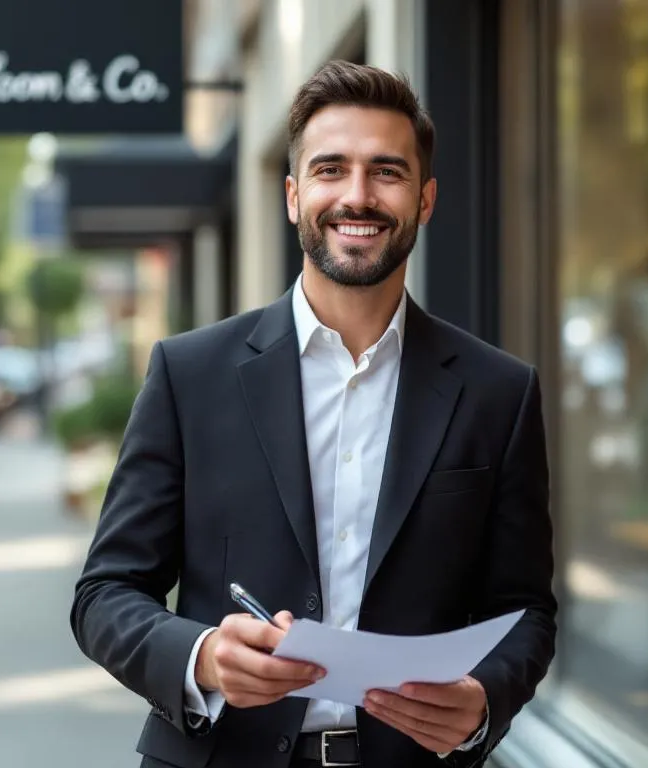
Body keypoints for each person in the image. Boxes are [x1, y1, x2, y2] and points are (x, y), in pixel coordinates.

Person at [71, 60, 557, 768]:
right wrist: (202, 656)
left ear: (425, 200)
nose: (357, 196)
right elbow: (105, 593)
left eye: (386, 172)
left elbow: (526, 610)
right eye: (331, 170)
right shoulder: (190, 374)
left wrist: (484, 699)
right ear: (295, 196)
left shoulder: (499, 392)